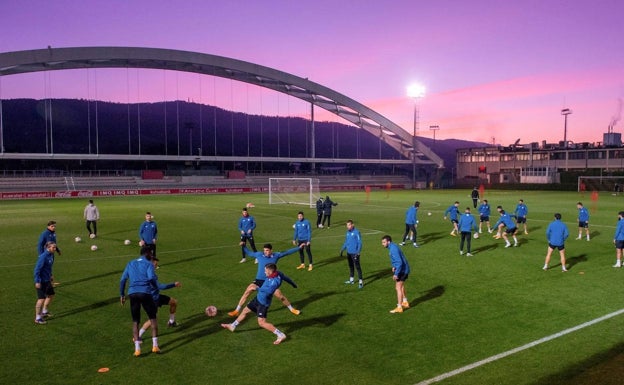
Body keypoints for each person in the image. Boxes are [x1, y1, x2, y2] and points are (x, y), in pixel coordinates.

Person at [227, 243, 302, 317]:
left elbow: (287, 252)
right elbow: (249, 253)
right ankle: (236, 311)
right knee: (248, 290)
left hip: (270, 282)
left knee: (280, 296)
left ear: (271, 250)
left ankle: (292, 309)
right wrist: (243, 246)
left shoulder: (276, 255)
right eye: (264, 250)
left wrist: (299, 248)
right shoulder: (259, 255)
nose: (265, 252)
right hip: (258, 280)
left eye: (267, 250)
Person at [221, 263, 289, 345]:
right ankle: (233, 325)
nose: (264, 272)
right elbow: (285, 278)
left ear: (270, 271)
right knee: (245, 310)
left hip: (263, 304)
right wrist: (293, 284)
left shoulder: (274, 281)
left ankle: (280, 334)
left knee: (262, 323)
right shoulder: (272, 276)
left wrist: (257, 288)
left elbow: (268, 291)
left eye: (265, 270)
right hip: (257, 299)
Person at [119, 246, 160, 356]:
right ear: (146, 253)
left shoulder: (130, 263)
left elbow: (123, 280)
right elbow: (151, 278)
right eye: (151, 254)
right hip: (145, 293)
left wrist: (122, 294)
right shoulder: (148, 264)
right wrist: (155, 287)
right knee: (153, 319)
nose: (152, 256)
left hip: (133, 293)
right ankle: (155, 346)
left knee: (135, 321)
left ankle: (137, 349)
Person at [138, 257, 181, 338]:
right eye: (155, 264)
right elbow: (161, 287)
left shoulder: (146, 272)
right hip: (152, 300)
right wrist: (174, 284)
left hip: (155, 296)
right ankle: (137, 336)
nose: (156, 265)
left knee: (173, 302)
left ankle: (171, 322)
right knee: (152, 320)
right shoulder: (151, 275)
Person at [381, 235, 410, 313]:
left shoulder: (393, 249)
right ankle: (405, 302)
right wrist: (394, 266)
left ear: (388, 242)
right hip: (403, 269)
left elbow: (399, 262)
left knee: (398, 288)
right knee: (401, 285)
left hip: (402, 270)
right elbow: (397, 260)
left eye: (384, 242)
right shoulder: (392, 247)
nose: (382, 244)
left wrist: (396, 274)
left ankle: (399, 307)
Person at [33, 242, 57, 324]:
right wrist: (37, 281)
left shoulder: (51, 255)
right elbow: (37, 270)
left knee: (51, 295)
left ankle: (44, 311)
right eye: (53, 247)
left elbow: (48, 267)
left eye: (55, 247)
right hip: (42, 281)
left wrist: (50, 275)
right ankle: (38, 318)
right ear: (48, 247)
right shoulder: (43, 257)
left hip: (47, 280)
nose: (55, 249)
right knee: (41, 299)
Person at [340, 219, 363, 288]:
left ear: (352, 225)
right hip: (349, 252)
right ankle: (351, 280)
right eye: (347, 225)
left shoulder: (357, 232)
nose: (348, 226)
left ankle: (361, 282)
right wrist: (342, 248)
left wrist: (358, 251)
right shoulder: (348, 232)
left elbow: (360, 243)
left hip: (355, 253)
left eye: (349, 225)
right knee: (351, 266)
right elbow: (346, 242)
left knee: (357, 267)